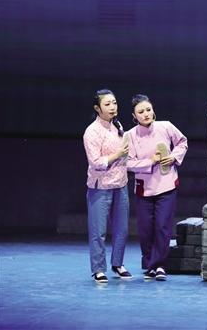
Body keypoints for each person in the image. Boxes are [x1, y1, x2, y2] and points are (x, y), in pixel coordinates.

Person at [125, 94, 188, 281]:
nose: (146, 114)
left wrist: (174, 157)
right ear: (134, 116)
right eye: (141, 112)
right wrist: (150, 161)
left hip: (166, 184)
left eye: (148, 110)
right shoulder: (130, 135)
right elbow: (128, 163)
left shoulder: (166, 126)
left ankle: (159, 265)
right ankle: (149, 264)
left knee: (162, 226)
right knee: (145, 229)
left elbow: (182, 142)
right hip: (144, 188)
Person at [83, 88, 131, 283]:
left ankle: (117, 264)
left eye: (114, 103)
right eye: (107, 104)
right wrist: (117, 155)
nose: (112, 107)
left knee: (122, 228)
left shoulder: (118, 126)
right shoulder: (92, 131)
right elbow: (96, 162)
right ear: (97, 108)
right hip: (100, 186)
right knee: (99, 231)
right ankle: (98, 268)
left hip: (120, 183)